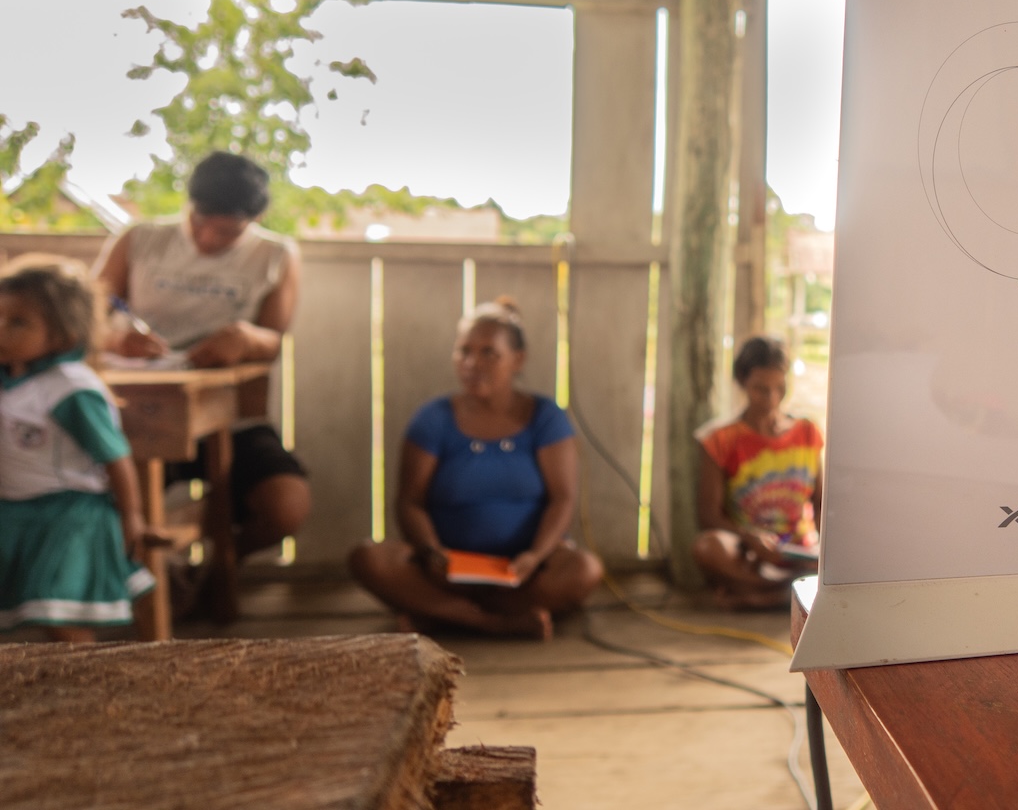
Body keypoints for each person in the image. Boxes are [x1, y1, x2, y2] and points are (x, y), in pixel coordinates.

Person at [93, 151, 309, 563]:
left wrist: (246, 338)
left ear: (254, 219)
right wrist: (115, 340)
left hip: (229, 416)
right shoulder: (139, 239)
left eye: (226, 232)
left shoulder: (276, 255)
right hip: (143, 414)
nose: (209, 239)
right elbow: (83, 321)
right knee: (121, 505)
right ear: (188, 204)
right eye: (200, 223)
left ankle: (212, 571)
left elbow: (274, 342)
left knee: (286, 506)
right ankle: (151, 584)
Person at [348, 298, 603, 639]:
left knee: (584, 570)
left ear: (518, 360)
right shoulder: (433, 419)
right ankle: (493, 623)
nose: (472, 363)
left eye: (489, 353)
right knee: (369, 558)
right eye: (463, 352)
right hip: (447, 573)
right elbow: (409, 502)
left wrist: (534, 555)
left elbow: (563, 499)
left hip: (523, 573)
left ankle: (440, 615)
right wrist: (432, 552)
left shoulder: (545, 418)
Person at [0, 255, 162, 640]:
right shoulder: (8, 378)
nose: (1, 330)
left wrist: (131, 516)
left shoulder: (71, 388)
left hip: (69, 515)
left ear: (64, 335)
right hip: (15, 511)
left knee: (63, 618)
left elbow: (115, 457)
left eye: (18, 322)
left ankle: (87, 691)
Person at [693, 336, 823, 609]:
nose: (772, 398)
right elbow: (708, 515)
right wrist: (748, 536)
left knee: (842, 559)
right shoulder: (720, 439)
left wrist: (823, 552)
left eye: (779, 387)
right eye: (761, 389)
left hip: (800, 551)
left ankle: (760, 596)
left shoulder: (807, 432)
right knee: (709, 547)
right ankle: (784, 595)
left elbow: (822, 504)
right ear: (742, 384)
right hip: (750, 554)